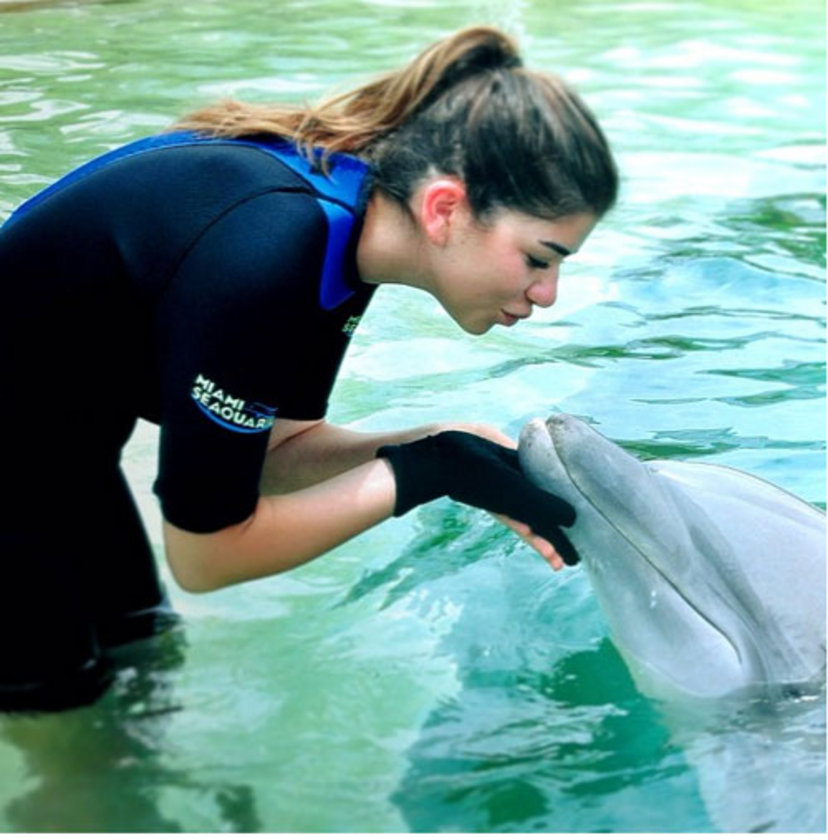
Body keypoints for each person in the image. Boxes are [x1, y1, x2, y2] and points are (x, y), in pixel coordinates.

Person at [0, 25, 618, 712]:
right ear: (443, 209)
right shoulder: (268, 248)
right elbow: (206, 557)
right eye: (538, 258)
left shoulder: (342, 231)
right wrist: (425, 472)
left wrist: (441, 442)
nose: (547, 293)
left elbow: (276, 455)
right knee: (65, 703)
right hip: (22, 459)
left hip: (57, 447)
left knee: (140, 647)